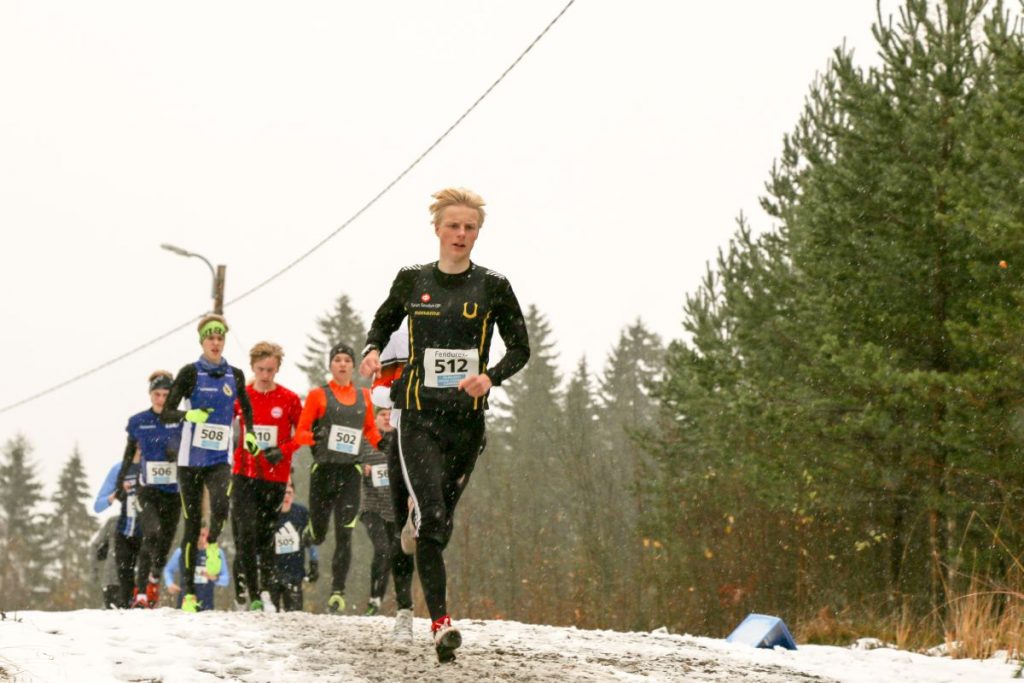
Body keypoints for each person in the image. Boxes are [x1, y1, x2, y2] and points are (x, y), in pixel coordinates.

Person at [359, 187, 530, 662]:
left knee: (440, 523)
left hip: (466, 425)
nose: (460, 234)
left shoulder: (494, 286)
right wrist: (372, 351)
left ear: (478, 233)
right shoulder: (412, 280)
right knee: (432, 518)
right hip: (416, 417)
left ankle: (420, 527)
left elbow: (521, 348)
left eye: (469, 227)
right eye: (453, 225)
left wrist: (489, 377)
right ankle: (440, 625)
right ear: (437, 229)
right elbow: (383, 320)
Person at [161, 313, 259, 612]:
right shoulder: (190, 373)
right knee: (191, 527)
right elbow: (167, 411)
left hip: (218, 457)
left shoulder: (236, 374)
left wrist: (251, 434)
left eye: (220, 338)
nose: (216, 343)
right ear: (202, 341)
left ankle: (214, 542)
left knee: (220, 507)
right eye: (210, 338)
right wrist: (187, 415)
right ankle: (189, 593)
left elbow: (246, 407)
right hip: (190, 460)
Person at [294, 341, 384, 613]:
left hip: (350, 472)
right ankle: (310, 535)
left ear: (354, 366)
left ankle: (337, 591)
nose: (342, 364)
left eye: (347, 360)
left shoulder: (364, 397)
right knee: (321, 533)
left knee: (345, 532)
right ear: (331, 365)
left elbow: (370, 430)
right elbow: (300, 434)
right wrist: (316, 436)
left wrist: (384, 445)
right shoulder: (317, 395)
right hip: (324, 471)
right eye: (338, 360)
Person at [230, 341, 303, 612]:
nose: (265, 375)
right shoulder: (242, 397)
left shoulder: (289, 399)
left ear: (277, 369)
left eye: (271, 370)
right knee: (245, 533)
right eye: (261, 369)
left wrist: (282, 450)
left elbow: (303, 433)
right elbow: (227, 429)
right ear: (253, 367)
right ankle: (254, 593)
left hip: (274, 478)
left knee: (264, 535)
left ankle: (267, 587)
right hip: (244, 473)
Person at [114, 370, 183, 608]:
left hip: (173, 492)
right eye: (157, 394)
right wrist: (119, 484)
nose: (161, 399)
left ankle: (155, 575)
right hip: (148, 490)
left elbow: (195, 452)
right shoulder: (139, 422)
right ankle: (141, 592)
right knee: (151, 534)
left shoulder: (181, 420)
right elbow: (127, 456)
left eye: (166, 394)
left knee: (164, 544)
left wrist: (178, 454)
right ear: (150, 394)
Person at [358, 407, 396, 616]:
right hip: (371, 506)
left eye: (391, 414)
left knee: (390, 554)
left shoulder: (401, 439)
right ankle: (374, 597)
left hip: (393, 507)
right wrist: (363, 467)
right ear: (375, 418)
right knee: (381, 548)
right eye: (383, 414)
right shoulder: (366, 439)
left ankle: (377, 597)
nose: (387, 417)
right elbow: (354, 461)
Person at [94, 453, 142, 609]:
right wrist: (115, 494)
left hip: (147, 532)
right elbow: (98, 505)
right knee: (120, 604)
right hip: (125, 531)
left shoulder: (155, 463)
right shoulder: (119, 469)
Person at [268, 480, 318, 612]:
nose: (286, 496)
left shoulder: (301, 513)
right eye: (283, 493)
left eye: (289, 493)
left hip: (294, 573)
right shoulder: (269, 513)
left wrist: (314, 562)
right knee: (270, 616)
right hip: (272, 572)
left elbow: (310, 540)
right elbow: (259, 543)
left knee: (295, 616)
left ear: (294, 495)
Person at [163, 523, 229, 611]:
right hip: (185, 606)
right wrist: (169, 583)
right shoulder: (182, 552)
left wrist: (215, 578)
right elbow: (168, 569)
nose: (200, 538)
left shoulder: (216, 553)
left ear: (208, 535)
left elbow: (226, 579)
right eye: (197, 535)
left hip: (207, 607)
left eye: (203, 535)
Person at [89, 517, 121, 609]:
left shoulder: (113, 522)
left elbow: (94, 546)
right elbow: (94, 547)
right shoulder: (113, 522)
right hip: (117, 579)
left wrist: (94, 571)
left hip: (112, 579)